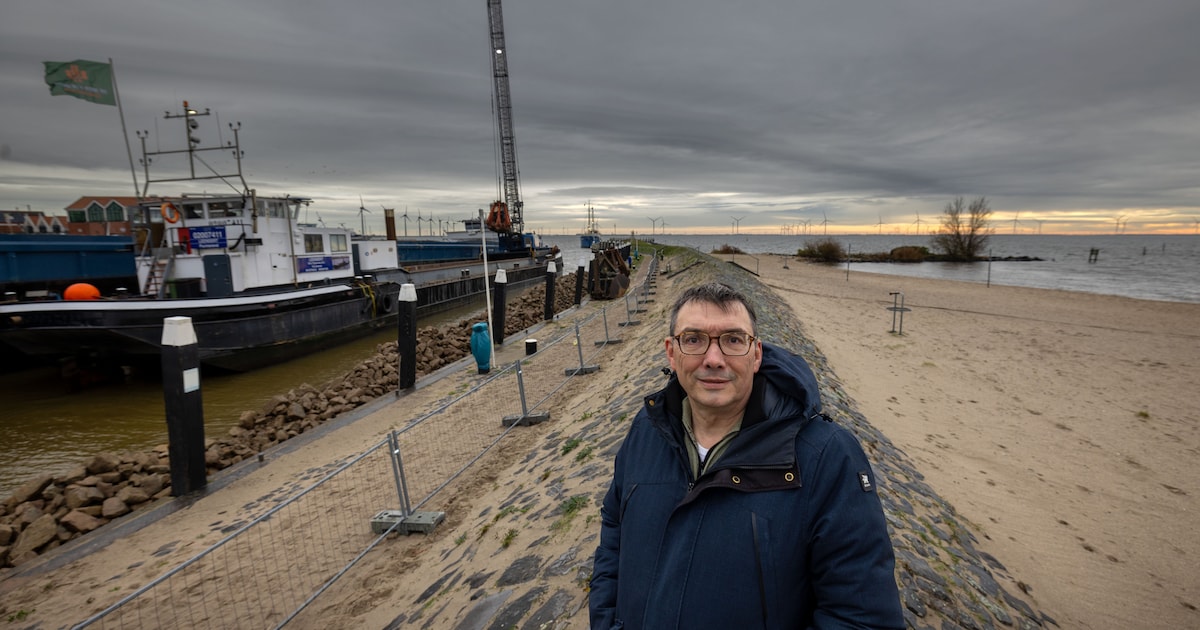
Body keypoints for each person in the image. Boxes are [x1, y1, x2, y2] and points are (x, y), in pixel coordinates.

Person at [589, 282, 904, 629]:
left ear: (756, 355)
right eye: (693, 339)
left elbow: (861, 616)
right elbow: (614, 531)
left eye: (733, 340)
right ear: (671, 352)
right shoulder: (646, 431)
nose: (713, 359)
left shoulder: (825, 456)